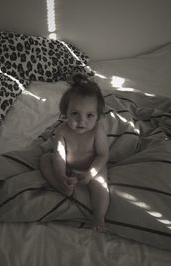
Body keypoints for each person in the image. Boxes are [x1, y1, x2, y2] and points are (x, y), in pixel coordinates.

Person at [40, 73, 109, 231]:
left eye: (89, 115)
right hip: (68, 167)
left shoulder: (97, 131)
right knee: (45, 159)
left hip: (92, 166)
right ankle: (62, 186)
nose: (81, 121)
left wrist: (91, 173)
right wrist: (61, 175)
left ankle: (99, 216)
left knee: (101, 183)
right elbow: (59, 156)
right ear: (65, 112)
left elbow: (103, 155)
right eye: (75, 113)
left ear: (98, 116)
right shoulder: (62, 131)